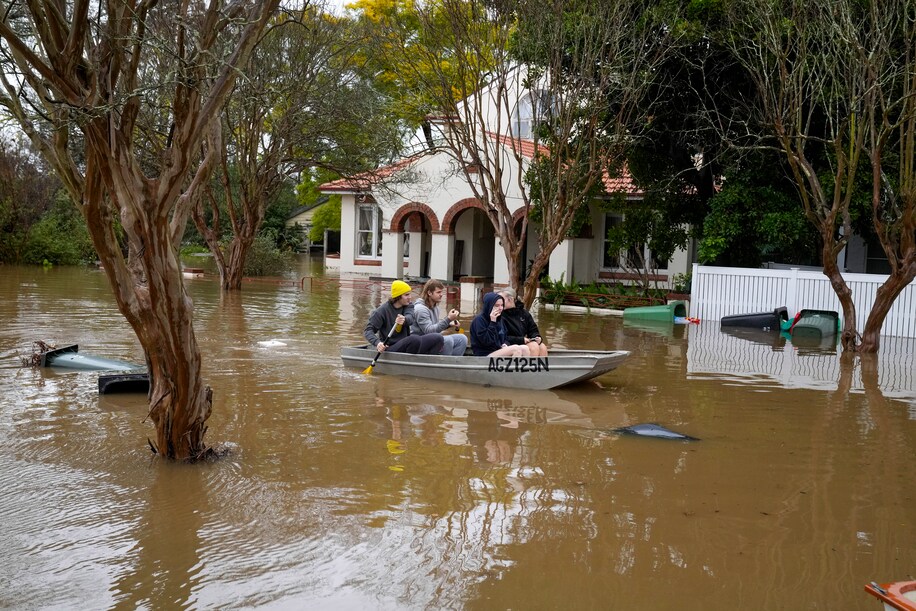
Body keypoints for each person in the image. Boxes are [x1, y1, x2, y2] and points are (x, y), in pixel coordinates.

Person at [364, 280, 444, 355]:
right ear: (398, 296)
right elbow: (368, 330)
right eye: (406, 295)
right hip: (390, 347)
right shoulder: (381, 311)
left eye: (410, 294)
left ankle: (429, 361)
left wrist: (404, 319)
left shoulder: (408, 306)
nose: (410, 297)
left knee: (438, 337)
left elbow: (410, 318)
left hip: (406, 343)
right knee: (414, 339)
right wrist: (378, 343)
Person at [411, 279, 468, 356]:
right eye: (438, 292)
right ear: (429, 293)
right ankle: (443, 365)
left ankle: (454, 364)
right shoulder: (420, 309)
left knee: (462, 339)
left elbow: (435, 327)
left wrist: (449, 324)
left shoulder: (435, 307)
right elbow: (429, 331)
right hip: (419, 343)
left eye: (441, 292)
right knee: (448, 340)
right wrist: (448, 319)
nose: (441, 294)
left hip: (433, 338)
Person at [469, 292, 530, 357]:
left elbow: (505, 337)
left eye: (502, 305)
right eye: (497, 305)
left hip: (498, 351)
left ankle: (524, 367)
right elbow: (487, 341)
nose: (501, 308)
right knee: (516, 349)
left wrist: (505, 344)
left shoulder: (500, 319)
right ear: (489, 305)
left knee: (525, 348)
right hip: (484, 355)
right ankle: (513, 367)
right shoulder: (479, 320)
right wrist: (493, 322)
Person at [498, 287, 548, 357]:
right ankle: (529, 368)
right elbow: (501, 337)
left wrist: (537, 337)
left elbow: (533, 330)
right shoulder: (499, 314)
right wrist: (521, 340)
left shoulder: (524, 313)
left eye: (501, 300)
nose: (499, 302)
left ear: (511, 299)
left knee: (542, 347)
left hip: (522, 342)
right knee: (533, 347)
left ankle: (541, 367)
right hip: (508, 344)